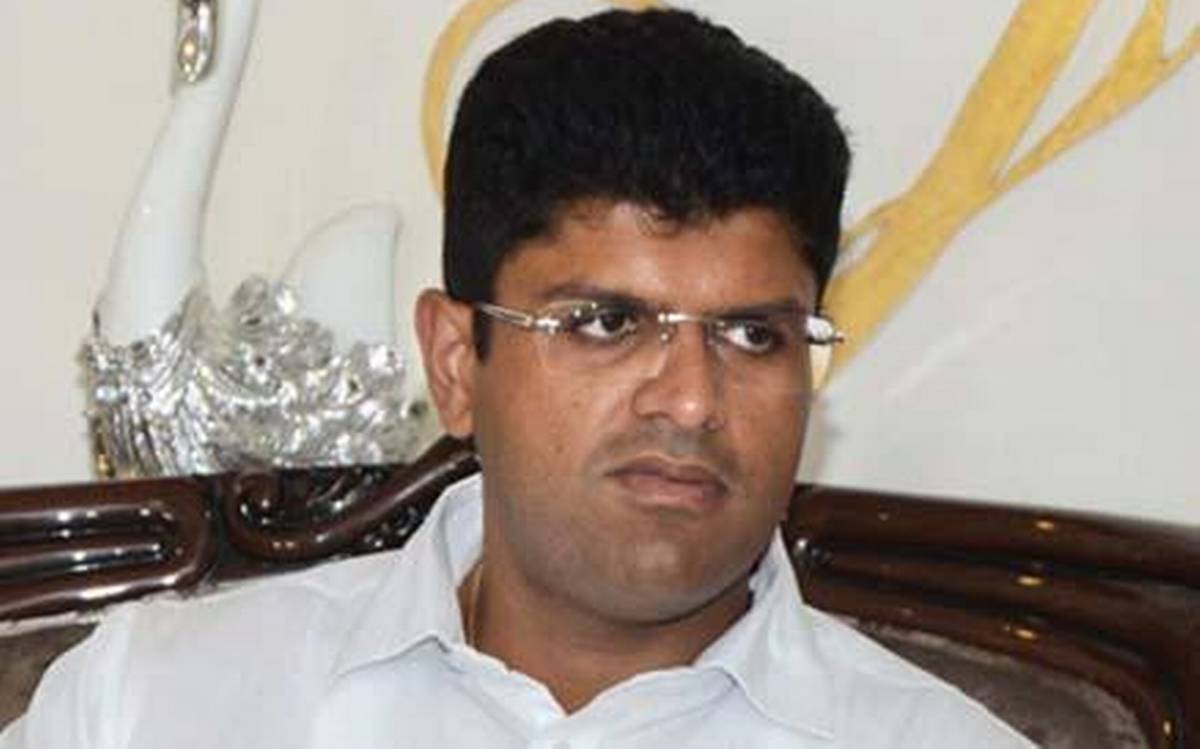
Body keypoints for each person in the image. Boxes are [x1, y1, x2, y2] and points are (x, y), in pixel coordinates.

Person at [2, 8, 1034, 748]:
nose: (690, 398)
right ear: (457, 361)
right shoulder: (152, 703)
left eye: (754, 335)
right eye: (607, 322)